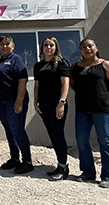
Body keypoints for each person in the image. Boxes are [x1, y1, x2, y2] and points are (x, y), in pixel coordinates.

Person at [70, 38, 109, 188]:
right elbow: (73, 85)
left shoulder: (105, 65)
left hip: (102, 111)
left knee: (104, 141)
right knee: (81, 140)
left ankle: (108, 176)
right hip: (82, 111)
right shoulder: (75, 67)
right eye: (83, 47)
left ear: (96, 48)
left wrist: (107, 98)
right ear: (80, 50)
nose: (87, 49)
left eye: (90, 46)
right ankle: (88, 173)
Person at [0, 35, 33, 174]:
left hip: (14, 101)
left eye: (7, 44)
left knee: (18, 130)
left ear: (13, 46)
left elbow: (23, 80)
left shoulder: (16, 59)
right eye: (2, 44)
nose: (4, 46)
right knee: (9, 131)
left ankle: (27, 161)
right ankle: (15, 159)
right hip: (2, 102)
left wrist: (19, 101)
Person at [33, 37, 70, 181]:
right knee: (52, 134)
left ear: (56, 47)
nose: (49, 47)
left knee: (58, 134)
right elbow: (36, 86)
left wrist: (62, 102)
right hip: (44, 103)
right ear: (42, 48)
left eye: (51, 45)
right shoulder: (38, 65)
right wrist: (36, 103)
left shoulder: (61, 63)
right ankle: (60, 165)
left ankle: (63, 167)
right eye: (46, 45)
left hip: (57, 103)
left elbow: (65, 84)